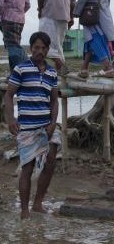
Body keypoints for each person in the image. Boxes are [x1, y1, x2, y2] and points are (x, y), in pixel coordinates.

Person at [4, 31, 61, 219]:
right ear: (31, 48)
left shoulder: (52, 72)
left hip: (47, 126)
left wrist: (53, 123)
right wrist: (11, 119)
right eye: (36, 47)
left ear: (47, 50)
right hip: (27, 127)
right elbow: (9, 95)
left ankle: (38, 204)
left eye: (44, 48)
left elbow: (54, 101)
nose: (40, 51)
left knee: (51, 161)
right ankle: (24, 211)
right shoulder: (21, 69)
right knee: (27, 168)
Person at [36, 0, 77, 75]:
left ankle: (62, 66)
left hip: (49, 14)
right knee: (58, 47)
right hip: (64, 16)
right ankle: (61, 74)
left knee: (43, 45)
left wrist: (40, 9)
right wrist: (71, 16)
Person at [0, 0, 30, 71]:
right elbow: (27, 5)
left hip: (7, 19)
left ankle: (23, 71)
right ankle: (17, 71)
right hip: (20, 20)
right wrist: (18, 13)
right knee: (13, 45)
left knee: (13, 47)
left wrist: (8, 13)